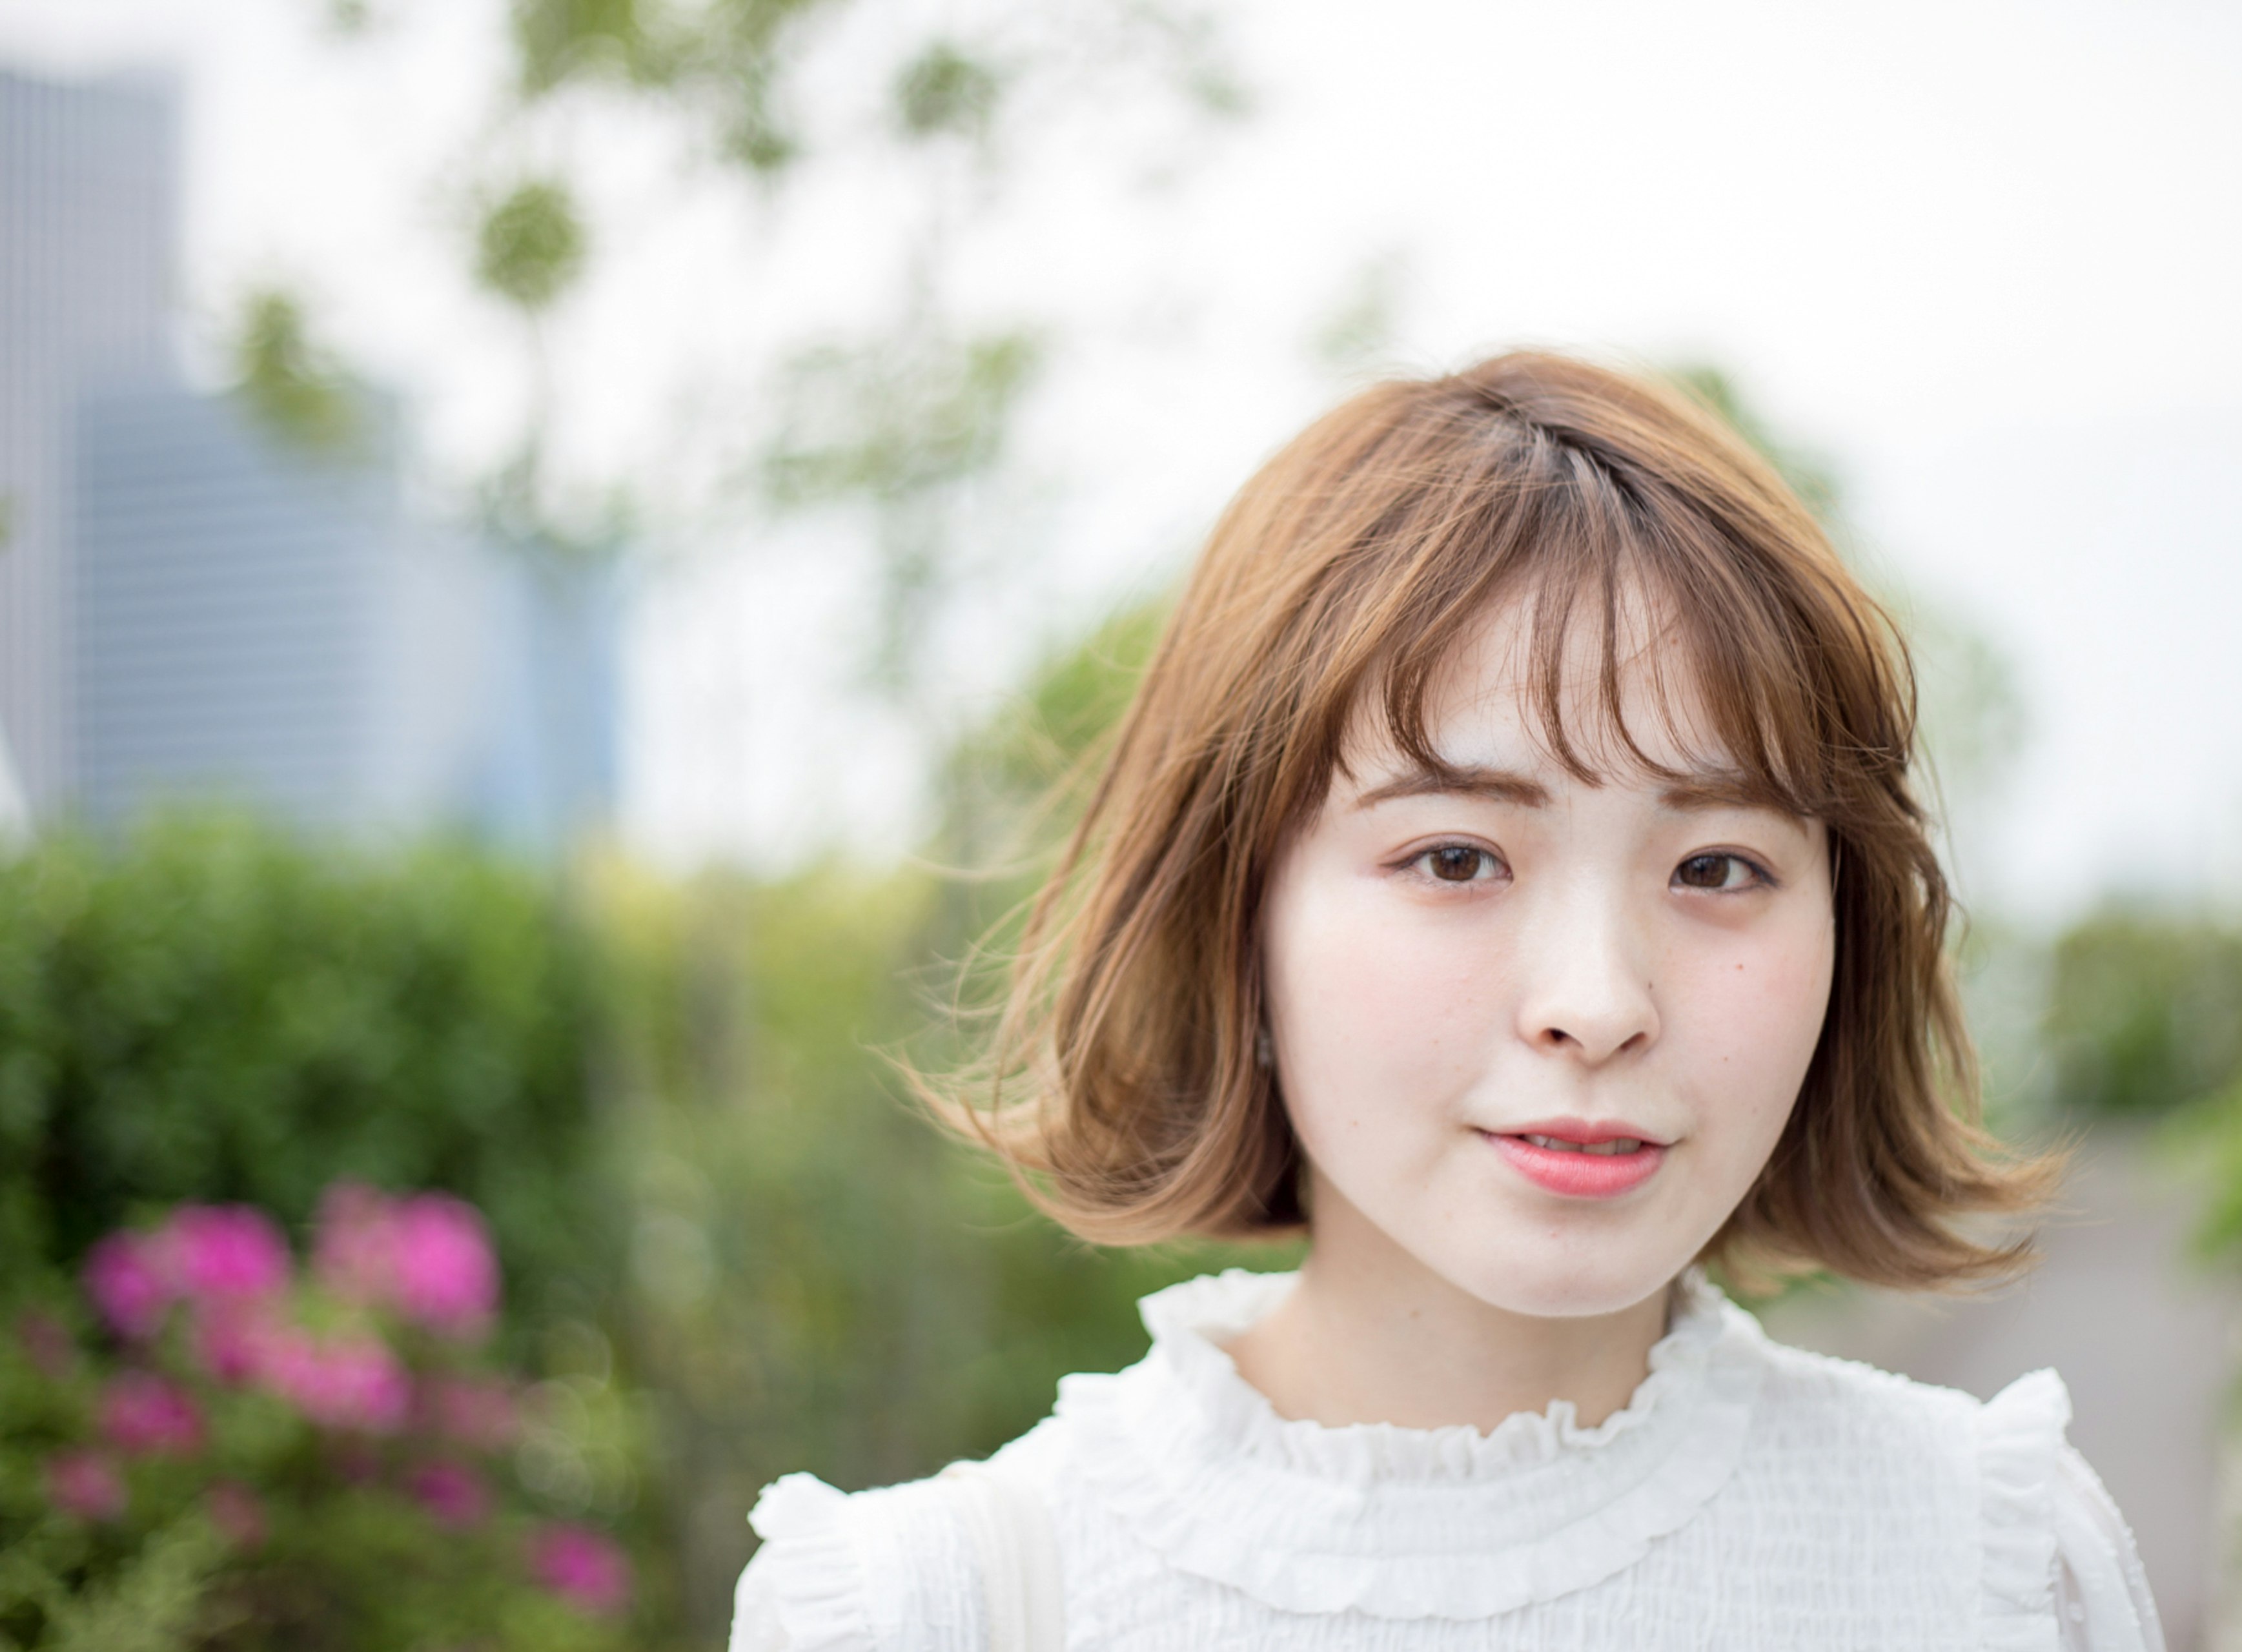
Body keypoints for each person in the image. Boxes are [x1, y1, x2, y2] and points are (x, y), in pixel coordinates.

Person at [729, 352, 2165, 1651]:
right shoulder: (937, 1605)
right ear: (1237, 912)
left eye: (1718, 864)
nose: (1598, 1004)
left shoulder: (1999, 1568)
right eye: (1457, 856)